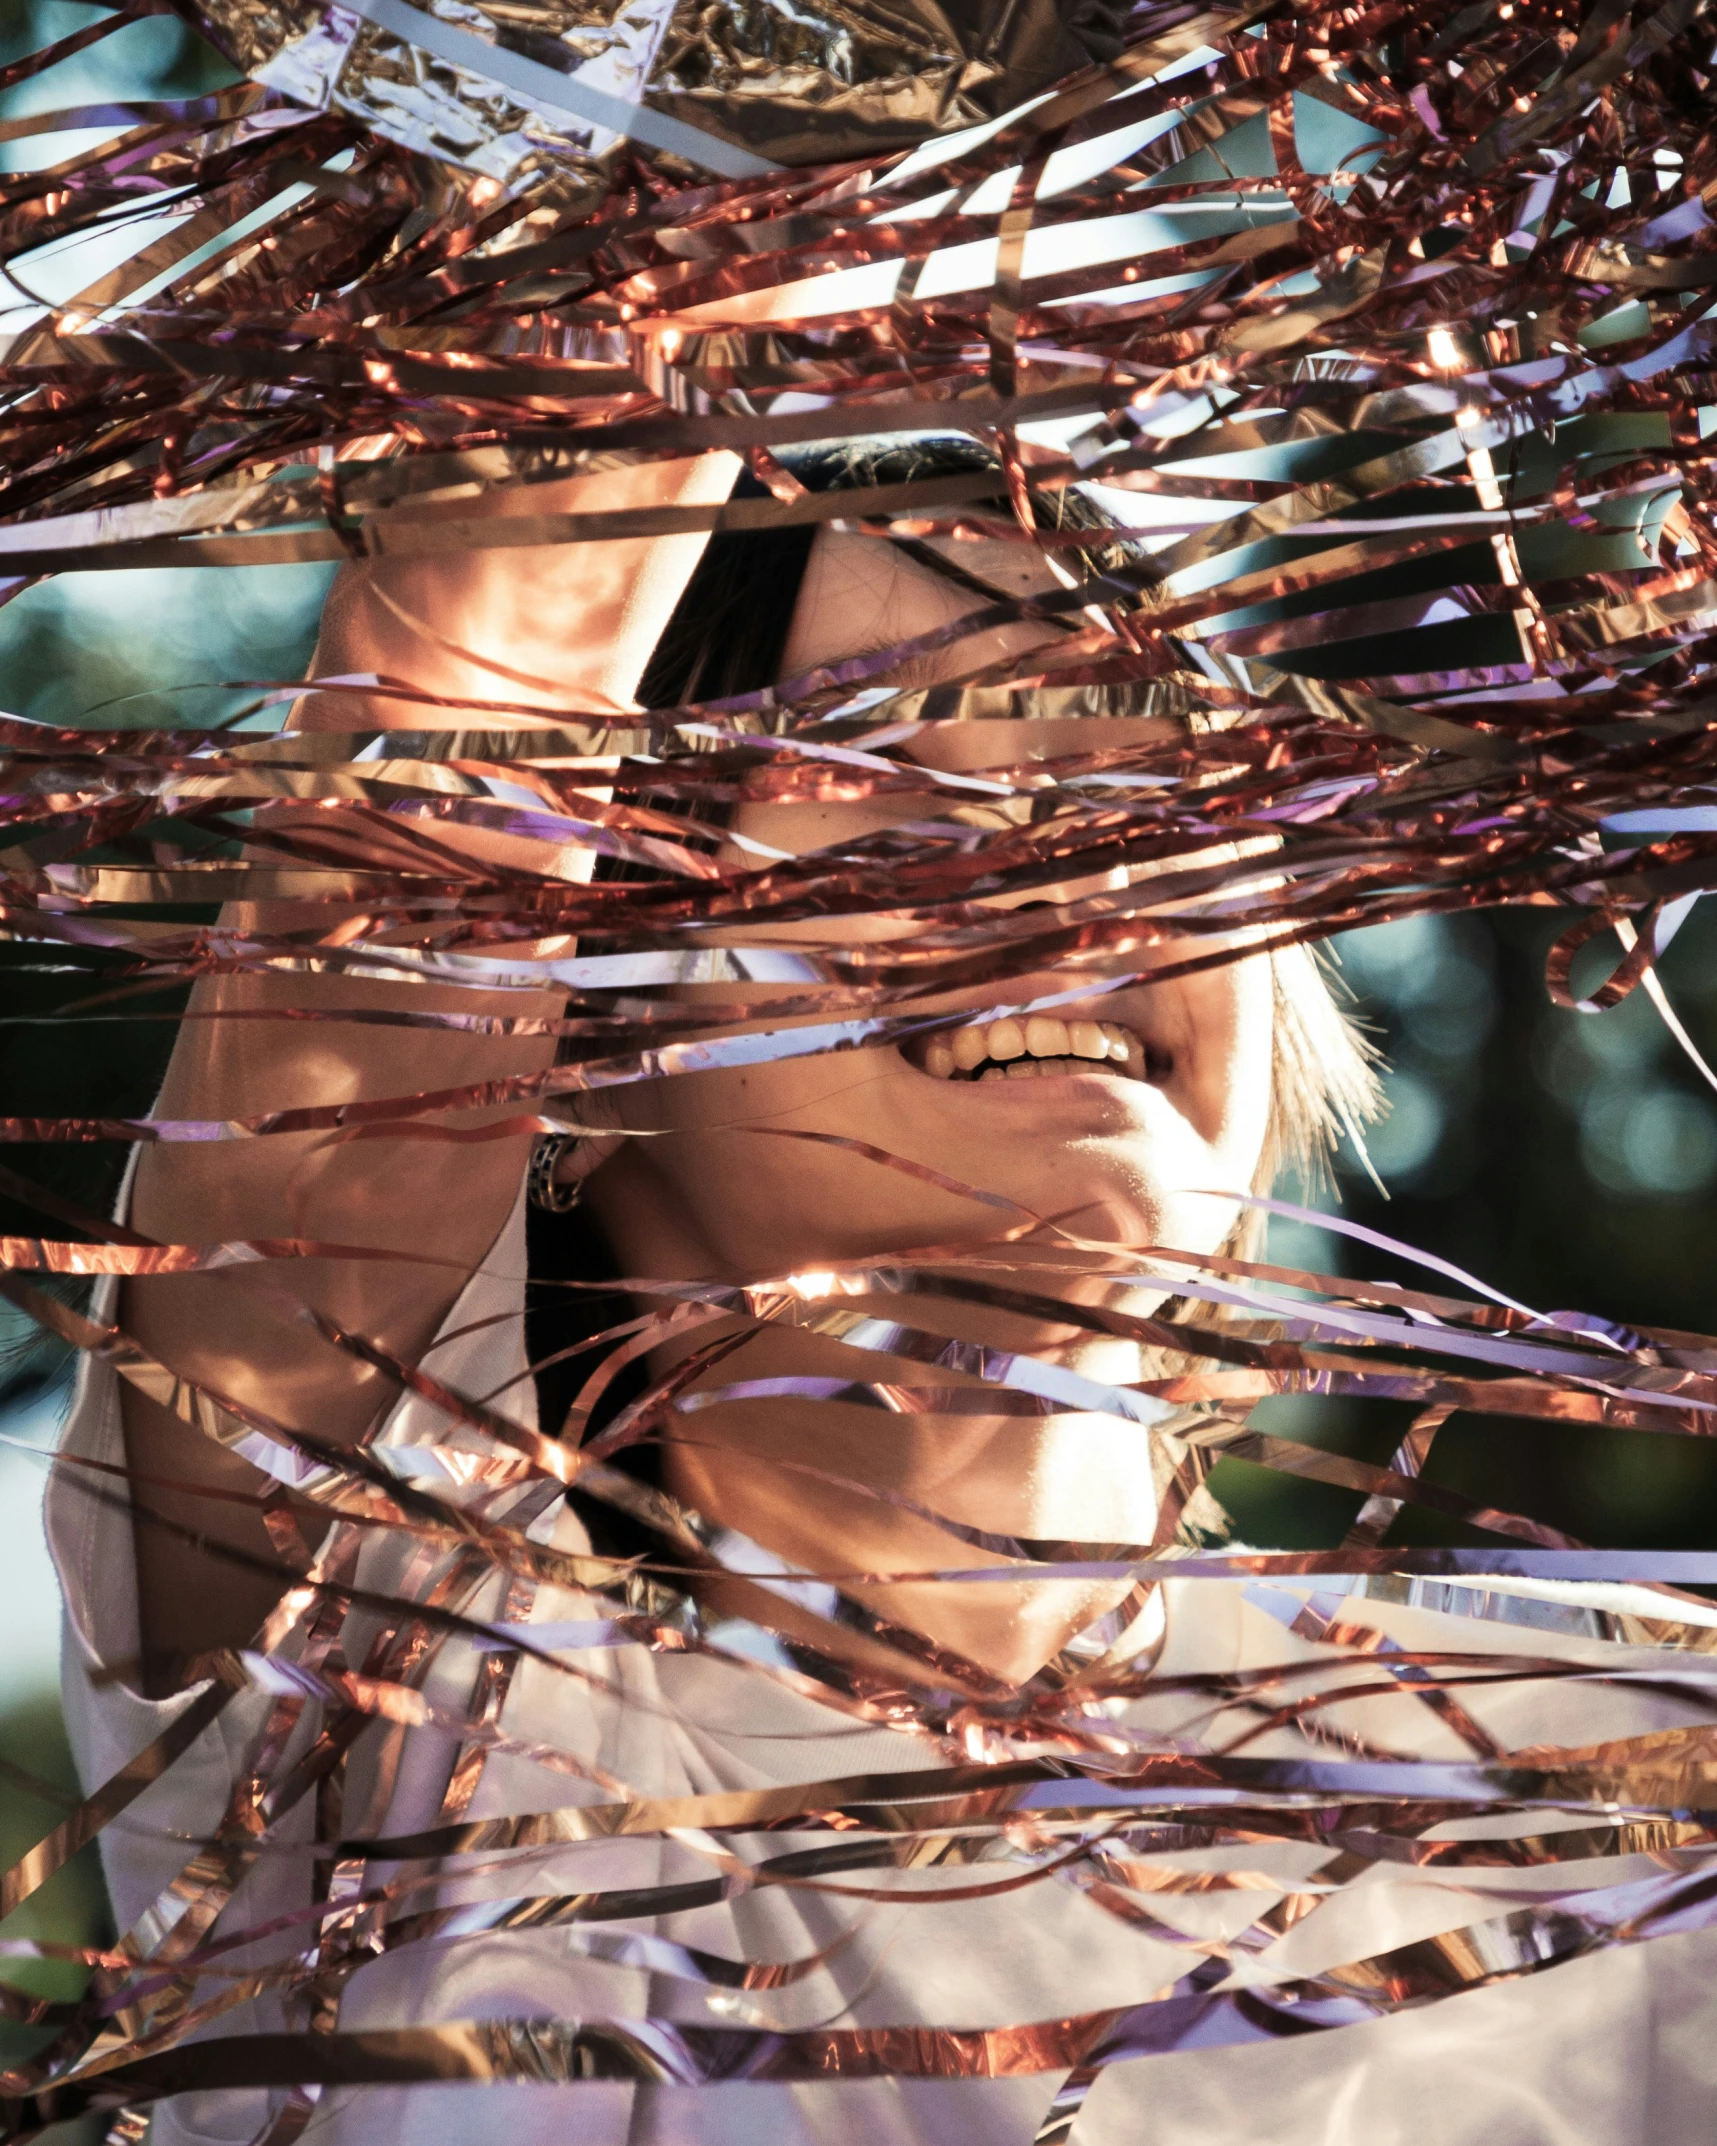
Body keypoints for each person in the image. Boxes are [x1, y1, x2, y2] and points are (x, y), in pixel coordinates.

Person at [44, 443, 1717, 2146]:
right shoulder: (403, 1730)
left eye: (1158, 806)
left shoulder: (1634, 1791)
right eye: (897, 782)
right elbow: (439, 771)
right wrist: (632, 380)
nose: (1080, 883)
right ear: (569, 1023)